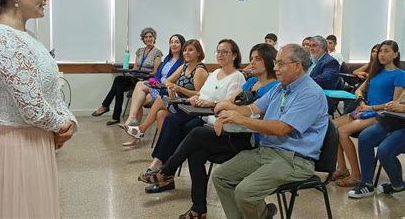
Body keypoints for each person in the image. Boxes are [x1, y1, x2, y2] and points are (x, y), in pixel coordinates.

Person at [0, 0, 77, 218]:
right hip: (19, 146)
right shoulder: (2, 39)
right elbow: (32, 107)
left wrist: (69, 121)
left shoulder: (26, 36)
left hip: (35, 141)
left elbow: (48, 93)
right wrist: (61, 125)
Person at [138, 43, 279, 219]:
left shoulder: (274, 88)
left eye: (258, 59)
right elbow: (228, 102)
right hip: (231, 130)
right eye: (251, 58)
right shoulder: (251, 82)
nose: (252, 62)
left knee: (197, 133)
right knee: (196, 152)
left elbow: (257, 116)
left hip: (249, 138)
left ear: (270, 61)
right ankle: (198, 209)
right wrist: (225, 111)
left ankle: (166, 171)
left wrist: (228, 111)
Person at [211, 44, 329, 219]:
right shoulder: (280, 88)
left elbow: (281, 128)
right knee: (221, 177)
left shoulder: (310, 93)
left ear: (297, 65)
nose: (275, 68)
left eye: (280, 64)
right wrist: (230, 113)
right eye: (275, 63)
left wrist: (242, 120)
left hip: (295, 160)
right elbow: (252, 108)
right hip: (267, 152)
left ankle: (262, 215)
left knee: (245, 192)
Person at [140, 39, 246, 193]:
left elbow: (230, 104)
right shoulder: (216, 72)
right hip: (199, 112)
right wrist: (195, 98)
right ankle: (160, 168)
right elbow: (201, 93)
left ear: (234, 55)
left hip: (212, 118)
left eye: (225, 52)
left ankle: (164, 172)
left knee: (182, 130)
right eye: (218, 51)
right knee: (170, 120)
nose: (220, 55)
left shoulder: (237, 77)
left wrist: (210, 103)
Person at [332, 40, 404, 188]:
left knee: (342, 131)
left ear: (395, 54)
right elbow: (360, 89)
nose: (382, 54)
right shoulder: (376, 72)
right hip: (365, 109)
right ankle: (342, 168)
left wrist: (370, 108)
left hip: (380, 114)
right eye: (380, 51)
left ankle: (356, 175)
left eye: (386, 51)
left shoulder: (399, 74)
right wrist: (361, 101)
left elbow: (393, 105)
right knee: (331, 127)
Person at [124, 39, 208, 146]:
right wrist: (170, 86)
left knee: (160, 99)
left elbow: (199, 94)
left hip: (190, 105)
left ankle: (142, 129)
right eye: (185, 50)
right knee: (160, 114)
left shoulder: (199, 70)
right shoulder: (185, 66)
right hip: (180, 101)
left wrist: (179, 89)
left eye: (190, 50)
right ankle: (165, 147)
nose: (187, 52)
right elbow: (168, 80)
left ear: (199, 52)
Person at [92, 27, 163, 125]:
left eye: (150, 36)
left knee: (118, 81)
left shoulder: (157, 52)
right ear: (143, 39)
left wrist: (143, 74)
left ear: (154, 38)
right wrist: (131, 73)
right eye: (146, 37)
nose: (148, 39)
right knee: (119, 84)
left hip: (146, 79)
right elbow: (135, 68)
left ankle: (106, 107)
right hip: (135, 77)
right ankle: (114, 116)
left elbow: (155, 72)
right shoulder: (139, 51)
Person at [120, 34, 186, 130]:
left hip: (165, 89)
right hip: (157, 86)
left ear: (182, 44)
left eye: (176, 42)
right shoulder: (168, 58)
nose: (173, 44)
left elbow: (173, 80)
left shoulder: (182, 62)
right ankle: (133, 125)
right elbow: (158, 74)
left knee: (138, 96)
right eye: (171, 42)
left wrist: (158, 83)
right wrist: (154, 81)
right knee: (138, 100)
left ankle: (132, 125)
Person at [348, 91, 405, 198]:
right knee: (365, 137)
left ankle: (398, 184)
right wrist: (393, 105)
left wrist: (402, 108)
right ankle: (367, 184)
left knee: (385, 150)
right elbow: (400, 100)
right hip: (396, 119)